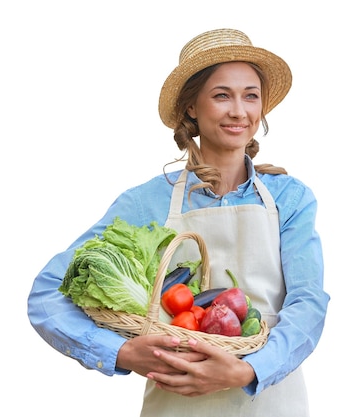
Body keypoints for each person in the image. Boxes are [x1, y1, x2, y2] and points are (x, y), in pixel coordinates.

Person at [27, 28, 330, 416]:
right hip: (176, 403)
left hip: (271, 399)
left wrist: (247, 369)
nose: (239, 111)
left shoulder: (290, 198)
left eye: (250, 96)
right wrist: (119, 352)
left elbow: (308, 302)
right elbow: (48, 292)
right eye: (222, 95)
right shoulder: (147, 201)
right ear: (191, 107)